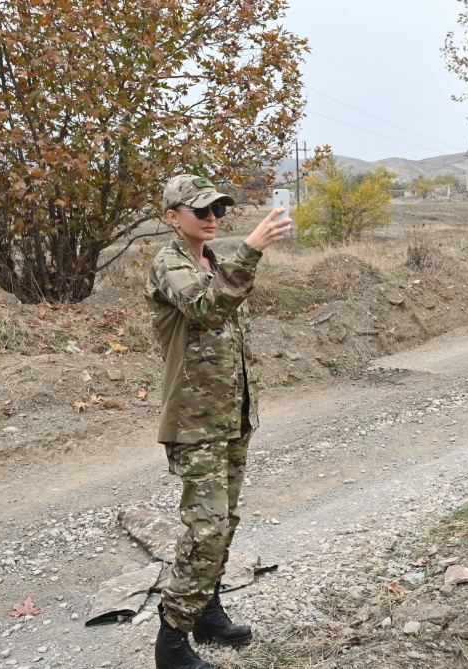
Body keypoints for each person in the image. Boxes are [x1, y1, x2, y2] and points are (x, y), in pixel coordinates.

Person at [144, 174, 291, 669]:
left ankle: (206, 611)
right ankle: (171, 640)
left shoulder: (212, 262)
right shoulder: (169, 262)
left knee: (223, 523)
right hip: (193, 421)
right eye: (200, 210)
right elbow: (206, 308)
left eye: (218, 211)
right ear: (172, 217)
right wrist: (251, 249)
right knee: (205, 529)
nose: (212, 219)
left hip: (230, 417)